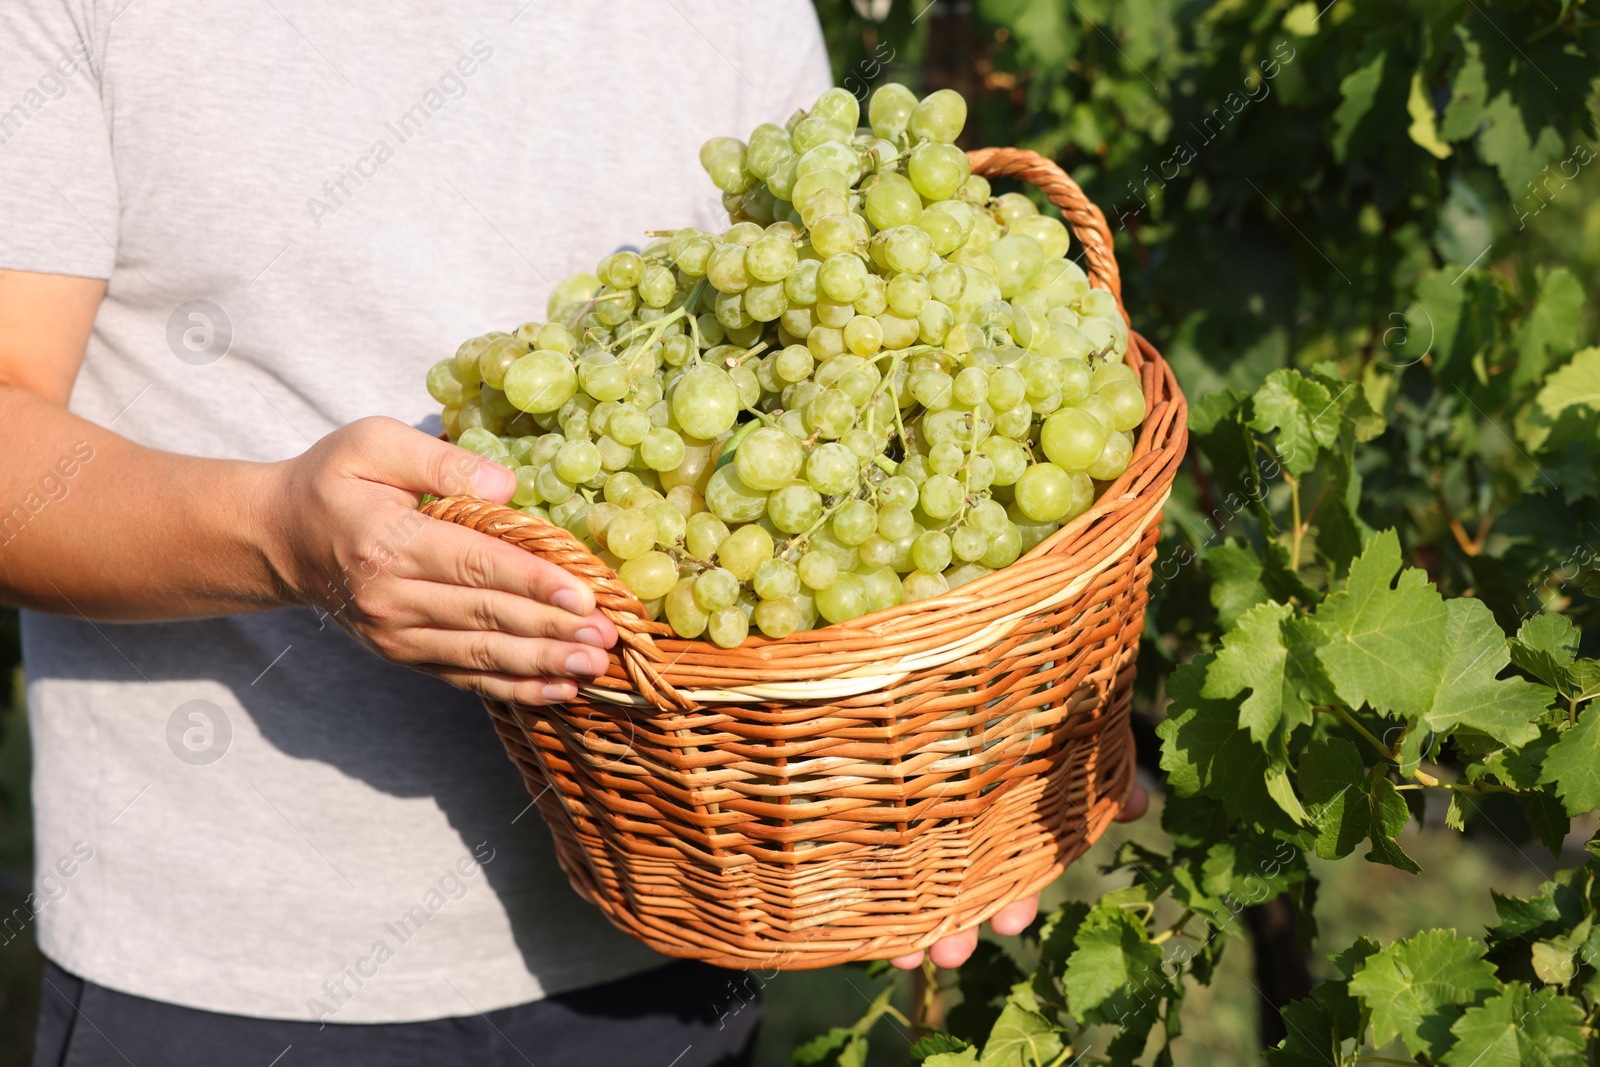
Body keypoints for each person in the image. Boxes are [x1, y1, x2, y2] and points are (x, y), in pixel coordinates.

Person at [0, 2, 1147, 1063]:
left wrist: (963, 768)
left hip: (675, 937)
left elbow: (835, 416)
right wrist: (281, 540)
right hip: (224, 962)